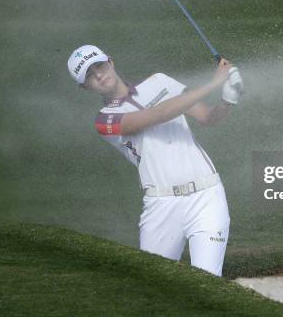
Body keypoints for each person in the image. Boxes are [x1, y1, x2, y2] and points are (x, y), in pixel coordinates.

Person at [67, 44, 243, 276]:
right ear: (84, 87)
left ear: (110, 61)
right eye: (89, 75)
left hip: (206, 195)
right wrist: (213, 83)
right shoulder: (105, 121)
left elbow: (207, 117)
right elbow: (158, 114)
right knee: (155, 283)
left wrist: (228, 99)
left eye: (98, 66)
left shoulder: (159, 82)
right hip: (161, 205)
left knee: (207, 280)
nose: (98, 75)